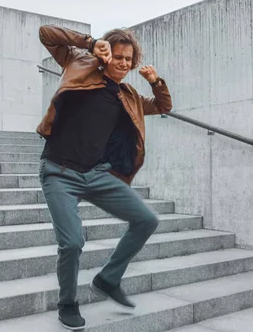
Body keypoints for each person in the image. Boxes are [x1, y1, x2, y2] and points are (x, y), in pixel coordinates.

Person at [36, 24, 172, 330]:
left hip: (96, 174)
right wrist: (90, 42)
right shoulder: (78, 64)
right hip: (58, 172)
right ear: (107, 55)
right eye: (119, 57)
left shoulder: (129, 95)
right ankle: (68, 303)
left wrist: (155, 81)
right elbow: (46, 34)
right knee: (71, 243)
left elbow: (163, 106)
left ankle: (108, 278)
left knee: (147, 220)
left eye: (129, 59)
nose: (124, 63)